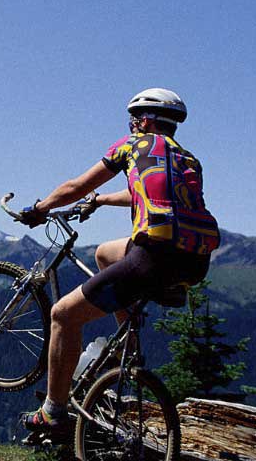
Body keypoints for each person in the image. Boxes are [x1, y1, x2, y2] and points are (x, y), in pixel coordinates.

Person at [18, 88, 220, 436]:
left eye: (133, 120)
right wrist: (101, 201)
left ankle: (53, 412)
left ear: (143, 120)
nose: (131, 126)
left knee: (63, 315)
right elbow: (145, 191)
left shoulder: (131, 145)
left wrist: (40, 209)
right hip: (193, 264)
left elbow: (76, 185)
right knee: (105, 254)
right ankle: (129, 349)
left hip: (152, 260)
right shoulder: (188, 160)